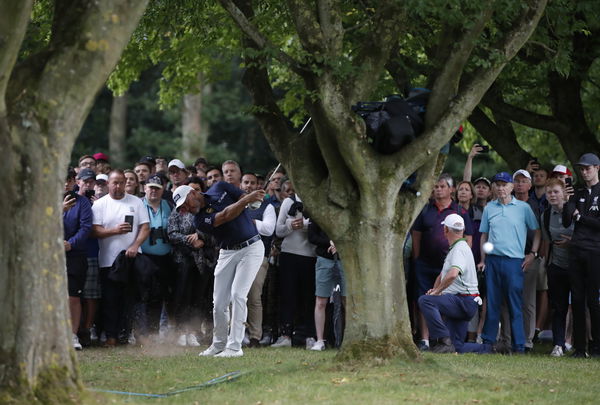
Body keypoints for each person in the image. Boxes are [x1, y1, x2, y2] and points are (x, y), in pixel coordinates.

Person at [194, 181, 265, 357]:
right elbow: (225, 216)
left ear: (192, 194)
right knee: (218, 302)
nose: (183, 210)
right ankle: (218, 345)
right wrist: (246, 200)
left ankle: (235, 347)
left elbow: (241, 198)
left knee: (238, 295)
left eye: (184, 205)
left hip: (252, 247)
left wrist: (252, 200)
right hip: (227, 252)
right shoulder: (199, 220)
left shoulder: (220, 187)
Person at [478, 172, 540, 354]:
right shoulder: (489, 207)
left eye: (504, 184)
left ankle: (519, 345)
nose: (500, 188)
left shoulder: (523, 208)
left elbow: (536, 231)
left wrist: (532, 254)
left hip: (514, 262)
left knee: (515, 305)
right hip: (494, 261)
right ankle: (488, 343)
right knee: (493, 303)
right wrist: (483, 260)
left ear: (511, 187)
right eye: (497, 184)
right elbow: (484, 235)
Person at [411, 173, 474, 351]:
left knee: (444, 300)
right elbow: (417, 236)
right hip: (425, 263)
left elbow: (468, 238)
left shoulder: (459, 211)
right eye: (436, 187)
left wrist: (460, 260)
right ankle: (425, 340)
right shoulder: (425, 209)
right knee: (424, 297)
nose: (438, 190)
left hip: (449, 265)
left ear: (451, 189)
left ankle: (442, 339)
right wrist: (417, 259)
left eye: (442, 186)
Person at [92, 170, 150, 347]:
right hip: (108, 261)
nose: (117, 186)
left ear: (126, 183)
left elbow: (145, 227)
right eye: (114, 183)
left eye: (121, 183)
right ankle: (111, 336)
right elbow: (94, 231)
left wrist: (135, 245)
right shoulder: (100, 205)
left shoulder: (136, 202)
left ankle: (127, 334)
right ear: (108, 184)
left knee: (130, 299)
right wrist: (114, 231)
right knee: (110, 300)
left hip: (131, 258)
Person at [418, 214, 488, 353]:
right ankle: (491, 349)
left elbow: (452, 274)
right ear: (462, 230)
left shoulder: (459, 249)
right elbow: (443, 274)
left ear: (446, 230)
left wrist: (437, 293)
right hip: (466, 302)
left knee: (425, 301)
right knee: (457, 347)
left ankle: (443, 339)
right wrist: (435, 290)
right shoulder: (459, 247)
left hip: (463, 301)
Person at [562, 153, 600, 358]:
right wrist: (568, 202)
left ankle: (596, 346)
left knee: (594, 301)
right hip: (576, 251)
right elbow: (567, 221)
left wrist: (580, 217)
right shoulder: (576, 193)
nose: (584, 172)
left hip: (595, 251)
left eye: (588, 168)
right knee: (577, 300)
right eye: (582, 169)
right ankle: (579, 348)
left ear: (597, 168)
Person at [271, 186, 317, 348]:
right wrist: (291, 225)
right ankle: (285, 335)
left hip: (311, 255)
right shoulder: (288, 202)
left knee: (309, 297)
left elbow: (321, 228)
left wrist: (305, 225)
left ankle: (310, 335)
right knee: (287, 295)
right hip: (289, 254)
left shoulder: (316, 202)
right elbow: (278, 230)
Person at [240, 172, 276, 347]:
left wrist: (252, 222)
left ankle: (255, 336)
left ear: (257, 185)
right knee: (236, 296)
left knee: (254, 296)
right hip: (237, 255)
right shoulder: (235, 204)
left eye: (252, 183)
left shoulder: (267, 205)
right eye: (245, 182)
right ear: (241, 185)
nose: (248, 186)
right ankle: (238, 333)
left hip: (259, 257)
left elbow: (269, 229)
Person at [138, 175, 174, 342]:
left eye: (157, 188)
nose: (153, 190)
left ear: (162, 190)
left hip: (165, 258)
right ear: (145, 188)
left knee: (159, 295)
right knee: (143, 294)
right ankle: (143, 333)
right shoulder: (138, 205)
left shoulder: (168, 205)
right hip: (144, 257)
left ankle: (154, 332)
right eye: (150, 187)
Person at [541, 178, 574, 357]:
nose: (552, 195)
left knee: (579, 306)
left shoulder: (576, 210)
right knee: (559, 307)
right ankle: (558, 345)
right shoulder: (545, 215)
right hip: (557, 266)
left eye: (555, 192)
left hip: (577, 266)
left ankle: (581, 344)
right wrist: (547, 264)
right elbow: (547, 242)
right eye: (549, 192)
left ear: (564, 193)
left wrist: (572, 242)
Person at [63, 168, 93, 350]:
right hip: (49, 255)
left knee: (73, 296)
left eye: (68, 179)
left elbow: (86, 227)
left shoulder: (82, 203)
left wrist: (70, 244)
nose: (65, 183)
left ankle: (73, 335)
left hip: (74, 255)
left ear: (74, 181)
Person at [307, 221, 346, 351]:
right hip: (324, 260)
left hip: (346, 260)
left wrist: (341, 245)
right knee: (320, 301)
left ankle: (346, 339)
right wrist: (330, 242)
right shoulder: (318, 212)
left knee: (347, 301)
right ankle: (319, 341)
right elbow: (312, 236)